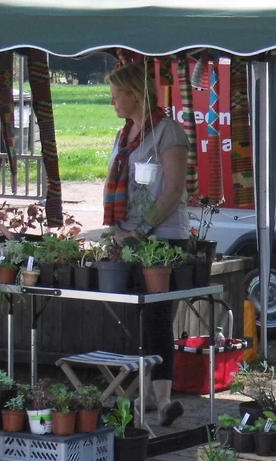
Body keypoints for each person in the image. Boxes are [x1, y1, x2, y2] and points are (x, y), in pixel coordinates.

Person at [103, 62, 189, 426]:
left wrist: (145, 228)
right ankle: (146, 393)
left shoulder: (168, 132)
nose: (112, 103)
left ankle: (164, 398)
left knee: (157, 317)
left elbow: (172, 189)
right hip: (128, 237)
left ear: (134, 95)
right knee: (134, 316)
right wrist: (115, 231)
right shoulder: (125, 135)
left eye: (115, 95)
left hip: (163, 239)